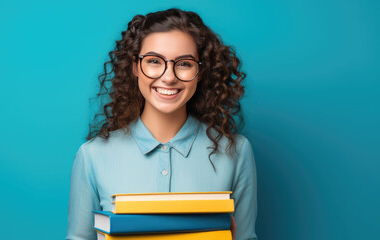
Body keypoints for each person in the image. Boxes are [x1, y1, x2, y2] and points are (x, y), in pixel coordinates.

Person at [66, 8, 257, 240]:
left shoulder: (236, 152)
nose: (169, 77)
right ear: (135, 66)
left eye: (184, 63)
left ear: (200, 71)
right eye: (154, 61)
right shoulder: (92, 156)